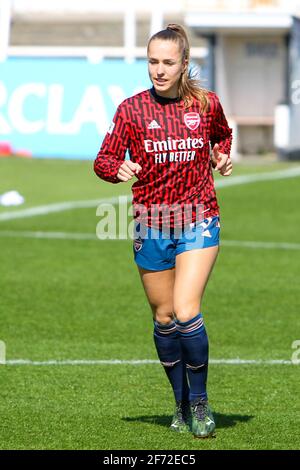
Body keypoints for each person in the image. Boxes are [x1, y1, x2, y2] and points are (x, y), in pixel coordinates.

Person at [94, 23, 233, 438]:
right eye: (152, 61)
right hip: (152, 224)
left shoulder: (206, 104)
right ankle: (179, 402)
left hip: (198, 216)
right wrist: (116, 169)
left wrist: (222, 155)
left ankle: (200, 402)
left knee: (187, 309)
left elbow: (223, 136)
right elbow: (102, 160)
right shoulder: (131, 110)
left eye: (168, 62)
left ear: (185, 64)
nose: (158, 69)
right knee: (165, 316)